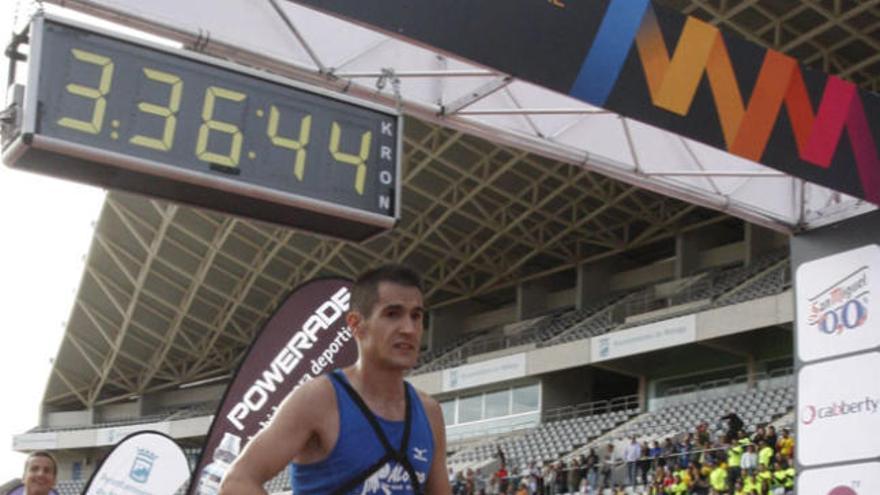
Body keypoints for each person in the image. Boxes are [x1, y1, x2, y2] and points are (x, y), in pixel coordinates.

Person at [219, 265, 450, 494]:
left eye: (416, 316)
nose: (409, 329)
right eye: (392, 314)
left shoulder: (429, 412)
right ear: (356, 324)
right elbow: (237, 482)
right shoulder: (318, 399)